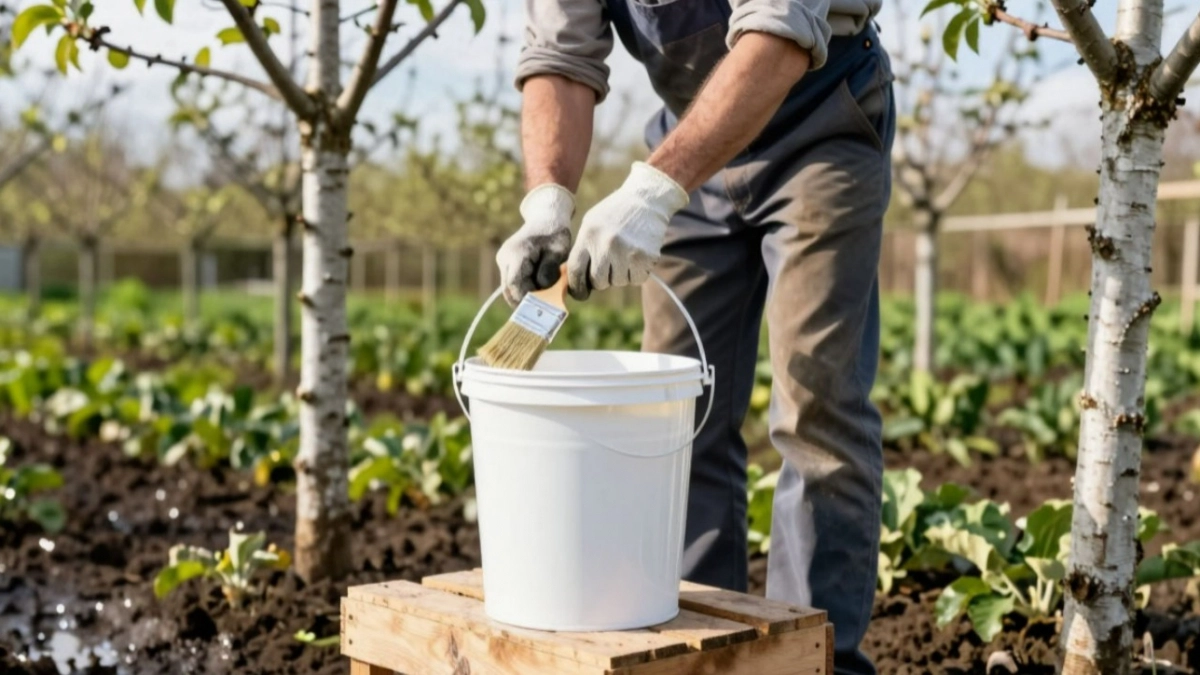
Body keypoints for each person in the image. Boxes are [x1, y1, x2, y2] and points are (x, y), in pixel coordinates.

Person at [495, 1, 894, 672]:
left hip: (819, 114)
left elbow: (779, 35)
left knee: (816, 407)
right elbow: (560, 58)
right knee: (678, 418)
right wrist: (547, 201)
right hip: (695, 135)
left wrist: (654, 190)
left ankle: (815, 660)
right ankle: (702, 656)